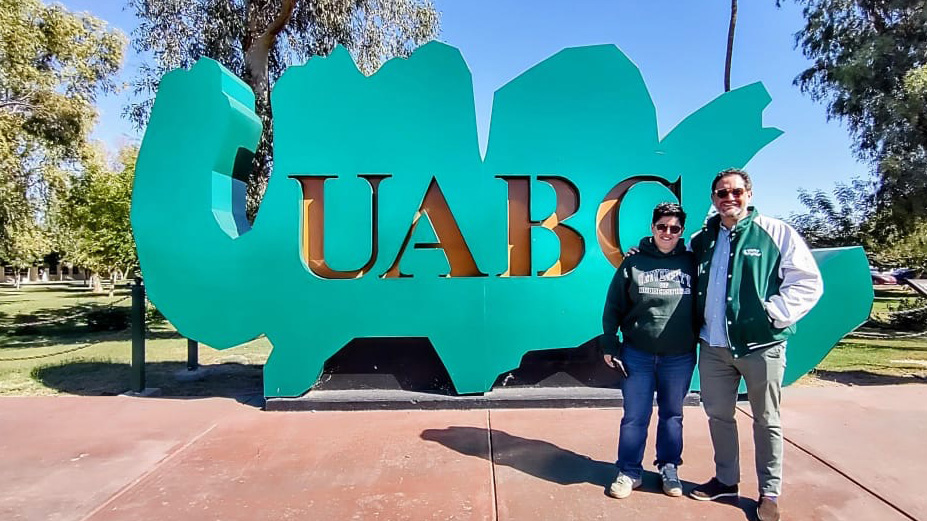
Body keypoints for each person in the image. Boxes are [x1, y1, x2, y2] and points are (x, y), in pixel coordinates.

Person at [688, 168, 823, 521]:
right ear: (713, 199)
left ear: (748, 193)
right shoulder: (702, 239)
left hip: (762, 347)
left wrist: (775, 313)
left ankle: (769, 492)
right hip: (714, 347)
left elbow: (807, 282)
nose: (728, 198)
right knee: (718, 415)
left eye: (735, 191)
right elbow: (673, 261)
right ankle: (726, 480)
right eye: (721, 193)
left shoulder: (776, 232)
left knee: (767, 420)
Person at [602, 202, 698, 499]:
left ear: (682, 231)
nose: (667, 233)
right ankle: (629, 471)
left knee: (673, 416)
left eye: (674, 228)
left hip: (679, 355)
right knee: (634, 416)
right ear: (652, 228)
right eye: (662, 227)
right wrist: (610, 343)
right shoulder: (633, 263)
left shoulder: (693, 263)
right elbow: (613, 306)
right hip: (638, 354)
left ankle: (669, 468)